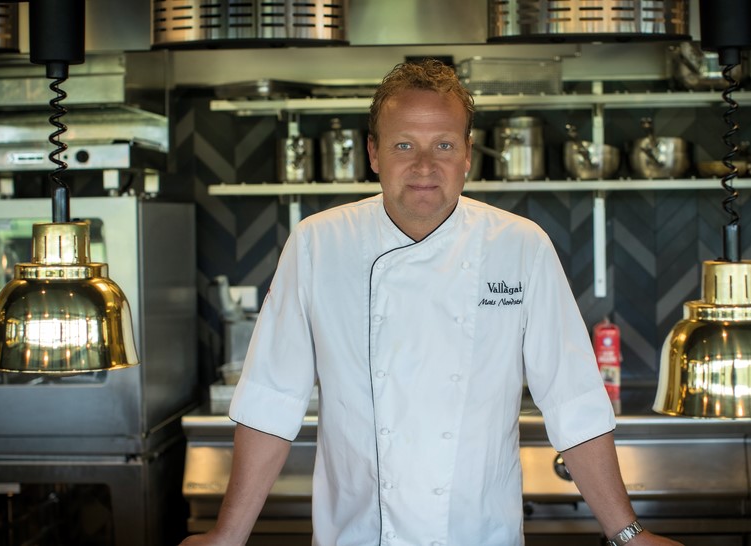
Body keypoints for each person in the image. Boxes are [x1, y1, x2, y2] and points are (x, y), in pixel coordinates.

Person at [181, 59, 682, 546]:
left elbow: (573, 402)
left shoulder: (520, 247)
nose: (424, 166)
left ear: (467, 154)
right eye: (404, 145)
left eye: (443, 144)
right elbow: (272, 399)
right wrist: (226, 536)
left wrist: (629, 535)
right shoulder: (318, 244)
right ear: (374, 153)